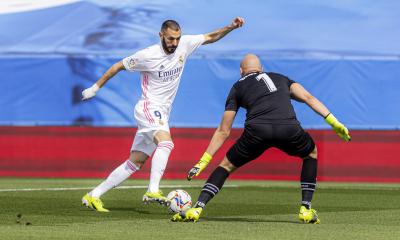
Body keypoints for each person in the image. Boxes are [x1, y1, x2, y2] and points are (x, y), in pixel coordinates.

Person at [81, 17, 245, 212]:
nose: (174, 43)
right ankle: (152, 190)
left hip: (161, 112)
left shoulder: (184, 45)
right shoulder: (147, 55)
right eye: (170, 39)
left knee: (136, 161)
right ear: (161, 35)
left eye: (177, 38)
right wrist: (95, 88)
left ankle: (93, 195)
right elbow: (118, 66)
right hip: (149, 107)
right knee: (166, 143)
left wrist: (231, 27)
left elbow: (211, 36)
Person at [172, 54, 351, 223]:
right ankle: (305, 208)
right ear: (261, 69)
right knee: (310, 153)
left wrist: (203, 161)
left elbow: (223, 130)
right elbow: (308, 97)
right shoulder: (281, 78)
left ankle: (197, 208)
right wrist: (334, 122)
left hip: (257, 131)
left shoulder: (237, 86)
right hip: (288, 128)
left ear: (241, 71)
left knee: (225, 166)